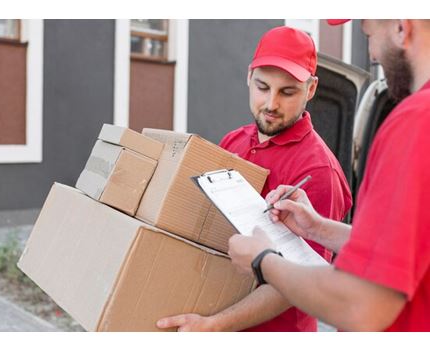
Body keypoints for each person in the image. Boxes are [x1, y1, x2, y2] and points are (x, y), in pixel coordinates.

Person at [228, 19, 430, 332]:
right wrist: (319, 228)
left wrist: (262, 261)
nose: (373, 54)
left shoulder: (416, 122)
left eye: (368, 34)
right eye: (263, 87)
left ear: (402, 28)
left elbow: (360, 304)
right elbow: (405, 247)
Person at [156, 26, 352, 332]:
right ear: (249, 77)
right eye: (263, 87)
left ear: (311, 89)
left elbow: (299, 284)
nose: (271, 104)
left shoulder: (318, 171)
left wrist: (215, 324)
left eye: (287, 92)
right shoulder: (234, 141)